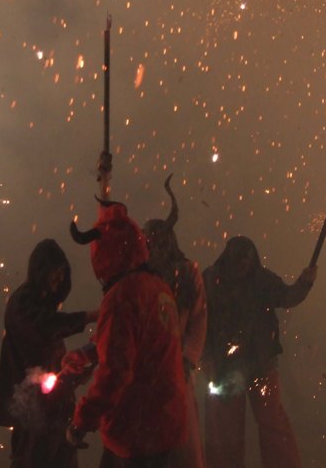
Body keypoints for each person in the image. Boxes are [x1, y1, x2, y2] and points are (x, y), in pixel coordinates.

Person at [66, 198, 188, 468]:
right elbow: (135, 340)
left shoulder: (121, 297)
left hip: (137, 427)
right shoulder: (157, 286)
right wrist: (87, 353)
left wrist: (81, 421)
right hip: (166, 421)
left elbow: (115, 372)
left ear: (103, 252)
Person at [201, 235, 316, 468]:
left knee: (272, 422)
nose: (243, 267)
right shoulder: (212, 280)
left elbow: (287, 297)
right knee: (227, 430)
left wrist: (304, 282)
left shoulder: (262, 280)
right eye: (240, 262)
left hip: (261, 363)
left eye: (247, 262)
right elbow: (202, 319)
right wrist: (206, 357)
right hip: (225, 366)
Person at [0, 239, 97, 468]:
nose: (59, 278)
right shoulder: (22, 303)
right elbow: (44, 327)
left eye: (62, 272)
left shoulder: (43, 304)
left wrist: (74, 375)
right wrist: (88, 316)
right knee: (32, 460)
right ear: (42, 271)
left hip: (55, 407)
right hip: (32, 407)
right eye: (55, 271)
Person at [142, 175, 207, 468]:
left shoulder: (187, 272)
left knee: (183, 440)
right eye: (149, 241)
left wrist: (188, 358)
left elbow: (199, 318)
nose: (153, 246)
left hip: (178, 365)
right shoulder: (139, 275)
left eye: (158, 241)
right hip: (144, 368)